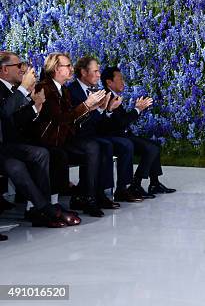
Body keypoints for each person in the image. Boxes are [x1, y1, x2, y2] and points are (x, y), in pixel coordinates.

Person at [0, 51, 80, 227]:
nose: (22, 69)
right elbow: (5, 113)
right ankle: (45, 209)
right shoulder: (12, 89)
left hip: (12, 144)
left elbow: (16, 119)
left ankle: (42, 208)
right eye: (19, 66)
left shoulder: (13, 89)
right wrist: (24, 91)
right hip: (6, 146)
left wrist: (35, 105)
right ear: (5, 69)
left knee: (41, 153)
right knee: (24, 161)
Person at [33, 52, 107, 217]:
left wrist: (91, 108)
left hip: (63, 139)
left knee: (95, 146)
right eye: (67, 66)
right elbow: (60, 119)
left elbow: (71, 119)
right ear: (56, 69)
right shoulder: (45, 88)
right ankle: (84, 198)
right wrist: (86, 105)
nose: (71, 68)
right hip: (50, 141)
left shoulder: (63, 90)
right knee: (89, 148)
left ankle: (88, 196)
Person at [68, 57, 142, 203]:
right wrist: (101, 109)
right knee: (106, 145)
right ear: (83, 72)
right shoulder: (72, 91)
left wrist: (107, 110)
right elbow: (75, 121)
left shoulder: (98, 91)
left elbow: (100, 123)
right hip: (78, 136)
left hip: (95, 134)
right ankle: (99, 192)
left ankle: (120, 188)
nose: (98, 75)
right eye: (95, 71)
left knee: (124, 144)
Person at [100, 66, 175, 196]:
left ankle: (154, 184)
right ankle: (135, 184)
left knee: (155, 145)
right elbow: (120, 123)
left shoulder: (115, 95)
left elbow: (121, 120)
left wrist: (138, 109)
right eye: (120, 79)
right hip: (116, 138)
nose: (123, 82)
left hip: (123, 135)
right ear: (109, 82)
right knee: (151, 149)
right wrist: (137, 110)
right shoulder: (107, 97)